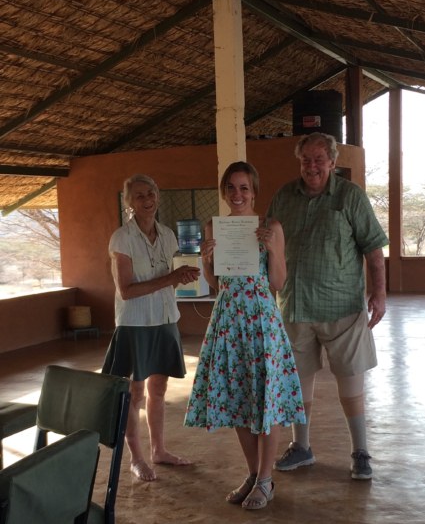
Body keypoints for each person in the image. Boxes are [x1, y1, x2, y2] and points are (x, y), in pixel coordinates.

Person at [267, 132, 389, 480]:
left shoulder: (350, 197)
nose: (312, 166)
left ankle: (360, 452)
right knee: (298, 383)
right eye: (306, 159)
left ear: (333, 162)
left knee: (350, 383)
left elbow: (374, 250)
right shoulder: (283, 198)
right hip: (294, 307)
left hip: (343, 309)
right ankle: (301, 447)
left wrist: (379, 294)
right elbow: (268, 246)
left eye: (320, 159)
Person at [184, 161, 305, 510]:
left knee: (265, 399)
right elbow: (216, 282)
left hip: (261, 320)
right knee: (237, 399)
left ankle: (266, 479)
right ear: (224, 191)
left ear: (254, 192)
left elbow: (278, 283)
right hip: (228, 319)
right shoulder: (214, 227)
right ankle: (254, 475)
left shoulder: (271, 227)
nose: (237, 195)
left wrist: (274, 249)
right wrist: (206, 259)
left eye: (244, 188)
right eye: (231, 188)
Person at [102, 173, 200, 482]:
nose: (147, 200)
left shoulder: (169, 235)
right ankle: (137, 458)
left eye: (151, 193)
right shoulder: (122, 238)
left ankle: (159, 450)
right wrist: (172, 278)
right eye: (140, 195)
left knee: (159, 388)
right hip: (135, 323)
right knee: (134, 392)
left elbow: (166, 281)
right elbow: (126, 290)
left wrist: (181, 277)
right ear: (129, 202)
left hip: (165, 319)